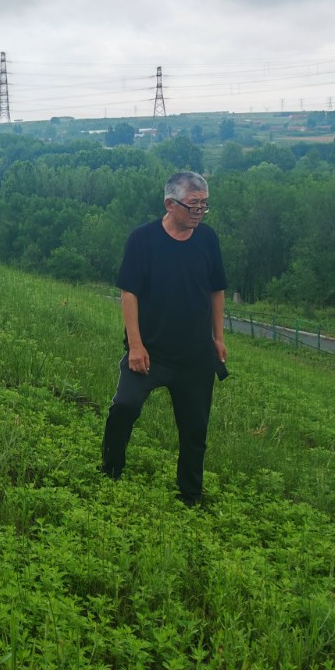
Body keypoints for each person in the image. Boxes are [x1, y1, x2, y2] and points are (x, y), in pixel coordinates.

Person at [100, 170, 228, 506]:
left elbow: (217, 289)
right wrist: (136, 345)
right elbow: (130, 293)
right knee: (124, 407)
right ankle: (110, 471)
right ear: (170, 204)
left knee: (194, 428)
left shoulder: (208, 240)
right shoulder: (143, 240)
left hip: (196, 355)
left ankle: (190, 495)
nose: (199, 212)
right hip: (151, 350)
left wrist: (218, 337)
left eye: (204, 205)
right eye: (193, 205)